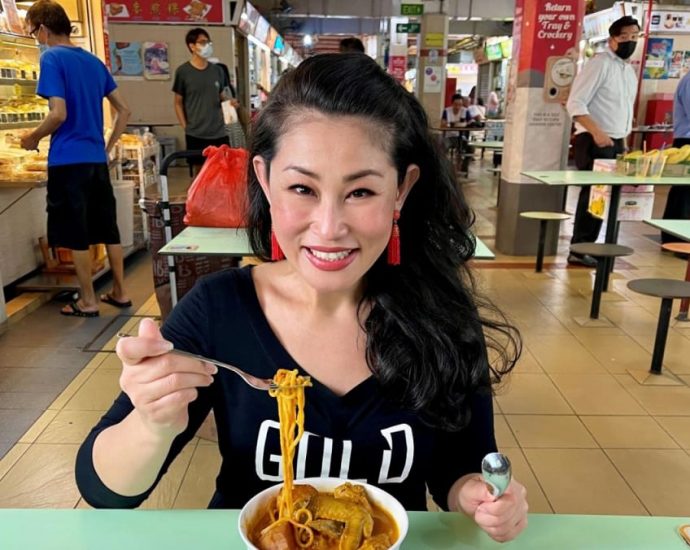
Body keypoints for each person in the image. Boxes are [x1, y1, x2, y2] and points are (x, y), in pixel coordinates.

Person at [75, 53, 527, 543]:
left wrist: (478, 496)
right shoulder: (219, 309)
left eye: (360, 193)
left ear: (402, 188)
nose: (329, 228)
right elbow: (106, 492)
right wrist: (151, 420)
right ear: (266, 182)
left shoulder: (442, 313)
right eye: (301, 188)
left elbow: (458, 466)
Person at [20, 0, 131, 317]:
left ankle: (88, 300)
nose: (36, 39)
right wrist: (107, 147)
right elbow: (125, 110)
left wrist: (33, 138)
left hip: (68, 161)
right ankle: (120, 292)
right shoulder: (94, 62)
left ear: (42, 28)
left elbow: (58, 113)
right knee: (108, 228)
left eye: (33, 33)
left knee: (76, 232)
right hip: (95, 160)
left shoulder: (53, 57)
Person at [566, 15, 640, 267]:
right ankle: (578, 248)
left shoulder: (628, 70)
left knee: (603, 198)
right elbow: (575, 103)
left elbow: (624, 109)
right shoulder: (599, 64)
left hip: (617, 142)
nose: (630, 41)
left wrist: (624, 141)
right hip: (596, 139)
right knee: (594, 195)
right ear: (612, 40)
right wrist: (597, 132)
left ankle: (590, 245)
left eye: (634, 36)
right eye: (624, 37)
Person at [172, 28, 229, 165]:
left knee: (221, 170)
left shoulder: (217, 71)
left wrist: (231, 103)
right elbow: (178, 102)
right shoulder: (183, 72)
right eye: (203, 42)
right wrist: (186, 126)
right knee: (199, 172)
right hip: (196, 133)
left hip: (219, 132)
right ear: (192, 46)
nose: (207, 45)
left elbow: (222, 97)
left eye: (209, 42)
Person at [661, 69, 690, 242]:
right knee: (684, 192)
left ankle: (674, 238)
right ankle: (677, 240)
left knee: (683, 192)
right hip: (686, 142)